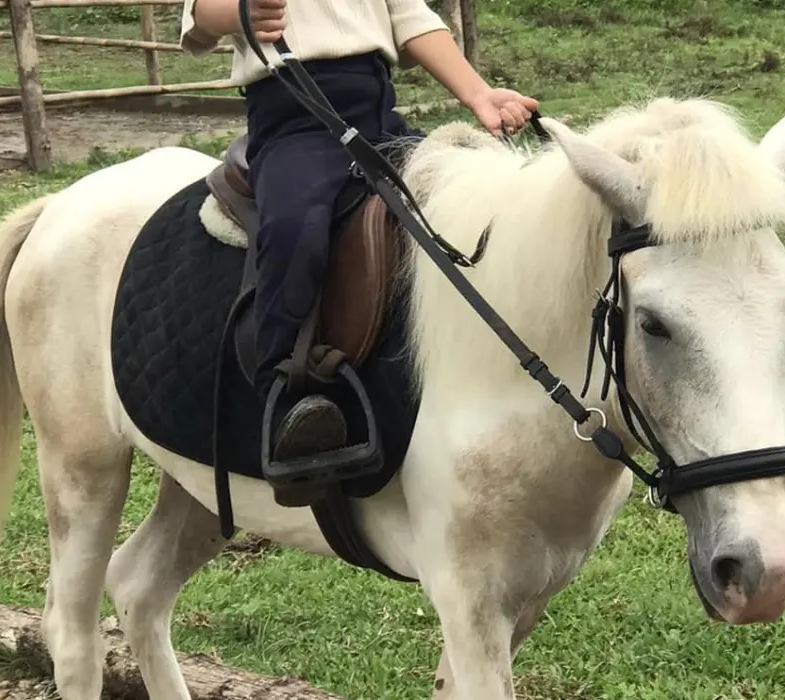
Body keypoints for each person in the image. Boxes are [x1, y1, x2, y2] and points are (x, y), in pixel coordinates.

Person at [180, 0, 538, 499]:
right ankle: (281, 391)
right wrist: (240, 13)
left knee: (459, 204)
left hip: (378, 115)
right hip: (294, 120)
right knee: (295, 230)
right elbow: (198, 17)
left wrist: (479, 94)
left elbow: (412, 20)